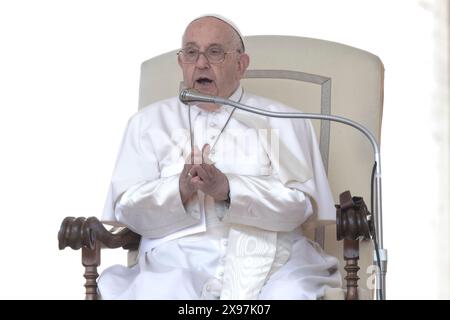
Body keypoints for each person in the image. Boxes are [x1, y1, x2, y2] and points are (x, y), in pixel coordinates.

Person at [98, 14, 341, 300]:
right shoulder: (147, 123)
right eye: (191, 53)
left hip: (274, 257)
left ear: (241, 65)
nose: (201, 63)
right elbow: (126, 208)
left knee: (290, 293)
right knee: (162, 291)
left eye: (214, 52)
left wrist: (228, 190)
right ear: (181, 63)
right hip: (174, 260)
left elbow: (300, 207)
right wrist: (180, 189)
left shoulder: (283, 120)